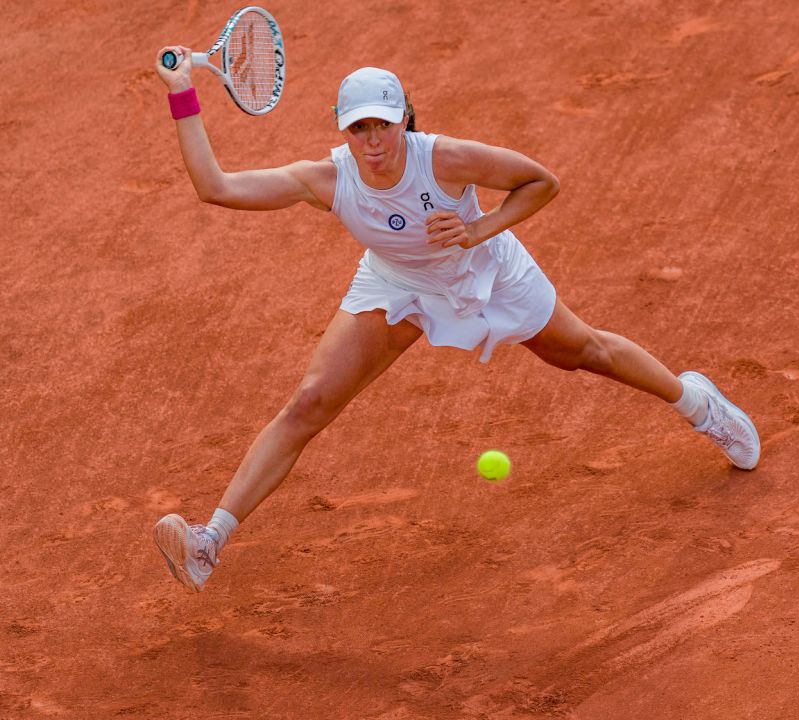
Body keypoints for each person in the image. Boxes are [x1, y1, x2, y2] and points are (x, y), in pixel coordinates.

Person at [151, 48, 761, 593]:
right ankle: (209, 542)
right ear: (345, 131)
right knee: (309, 402)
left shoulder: (446, 159)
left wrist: (477, 229)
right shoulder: (328, 179)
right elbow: (216, 187)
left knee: (583, 353)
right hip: (399, 283)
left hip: (485, 270)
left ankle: (699, 405)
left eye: (382, 125)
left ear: (404, 121)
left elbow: (539, 182)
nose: (371, 140)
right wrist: (183, 94)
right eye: (358, 127)